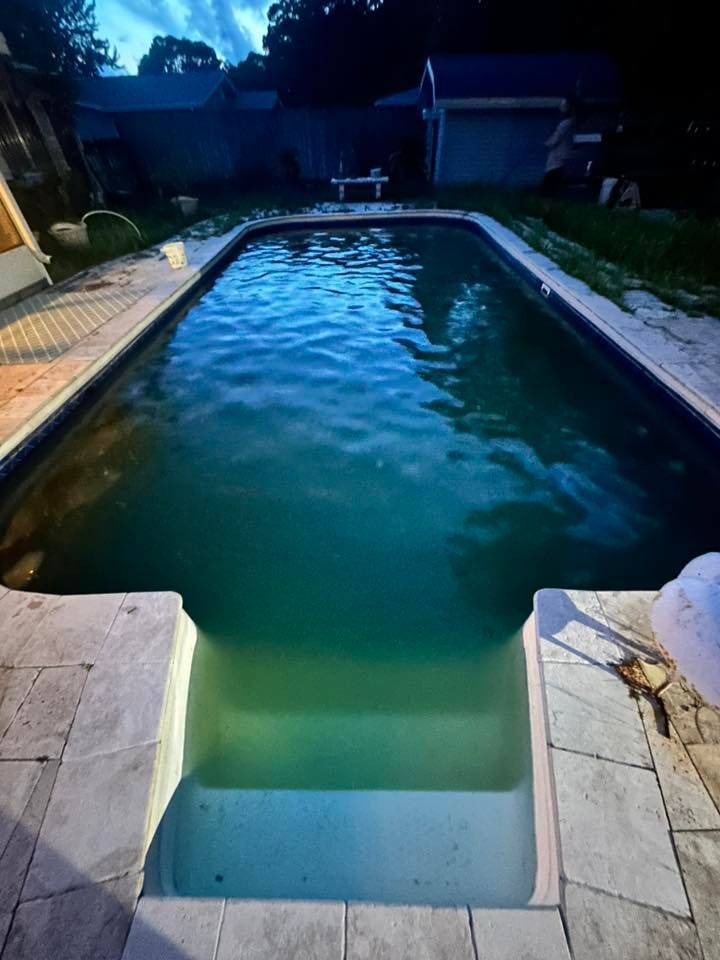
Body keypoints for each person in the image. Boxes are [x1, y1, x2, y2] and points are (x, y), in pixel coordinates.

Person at [543, 97, 577, 195]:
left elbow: (555, 139)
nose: (560, 109)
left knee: (551, 181)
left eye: (563, 106)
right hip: (561, 157)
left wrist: (546, 144)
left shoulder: (565, 124)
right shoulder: (569, 123)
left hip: (557, 159)